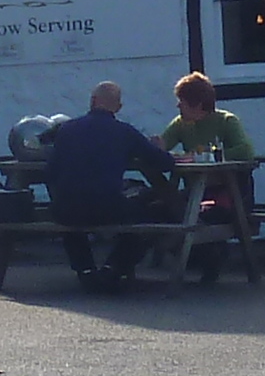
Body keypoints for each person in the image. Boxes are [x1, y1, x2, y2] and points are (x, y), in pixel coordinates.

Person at [40, 80, 176, 292]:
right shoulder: (124, 132)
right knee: (153, 212)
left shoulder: (66, 130)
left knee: (69, 207)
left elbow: (49, 172)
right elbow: (165, 164)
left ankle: (85, 269)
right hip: (108, 208)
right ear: (118, 107)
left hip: (66, 209)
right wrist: (159, 148)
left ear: (92, 101)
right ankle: (113, 267)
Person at [162, 72, 254, 283]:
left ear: (198, 104)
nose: (178, 107)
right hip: (195, 193)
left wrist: (207, 157)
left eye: (182, 102)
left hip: (230, 194)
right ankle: (199, 258)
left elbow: (247, 151)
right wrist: (156, 147)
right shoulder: (181, 124)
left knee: (206, 217)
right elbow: (164, 145)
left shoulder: (226, 121)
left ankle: (211, 259)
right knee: (163, 207)